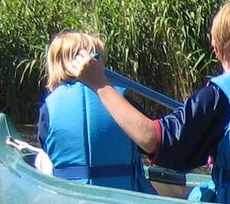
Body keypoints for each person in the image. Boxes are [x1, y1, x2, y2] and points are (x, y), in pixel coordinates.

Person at [71, 0, 230, 204]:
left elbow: (152, 139)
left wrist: (100, 84)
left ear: (216, 48)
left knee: (196, 196)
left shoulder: (217, 96)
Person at [37, 31, 155, 194]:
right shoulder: (121, 99)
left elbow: (47, 146)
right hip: (125, 198)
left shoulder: (48, 107)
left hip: (71, 199)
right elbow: (150, 144)